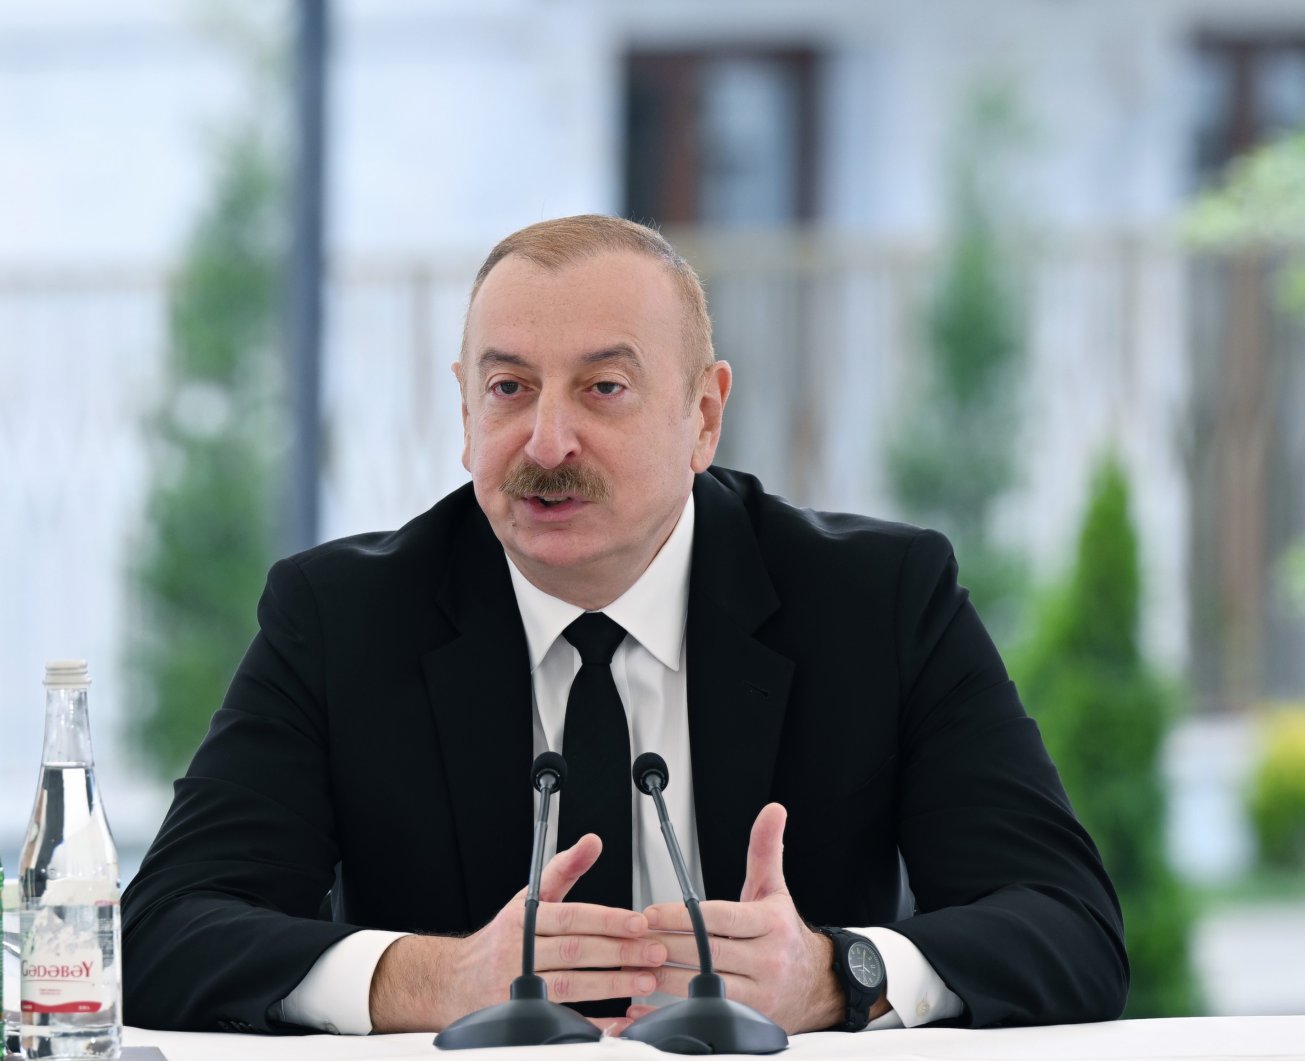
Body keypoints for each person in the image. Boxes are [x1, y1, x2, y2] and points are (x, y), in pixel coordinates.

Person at [121, 215, 1127, 1037]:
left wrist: (837, 973)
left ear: (703, 413)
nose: (546, 441)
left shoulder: (875, 597)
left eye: (604, 387)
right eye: (508, 388)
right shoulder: (343, 617)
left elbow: (1068, 924)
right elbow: (163, 931)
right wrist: (430, 978)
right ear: (464, 413)